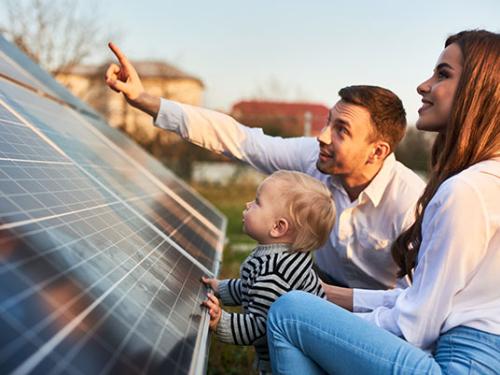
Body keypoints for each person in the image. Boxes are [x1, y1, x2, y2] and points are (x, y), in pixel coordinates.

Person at [266, 29, 500, 374]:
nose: (424, 85)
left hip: (460, 365)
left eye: (443, 74)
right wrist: (324, 295)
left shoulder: (464, 191)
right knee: (304, 306)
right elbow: (421, 298)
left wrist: (328, 327)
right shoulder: (487, 181)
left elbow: (416, 327)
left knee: (289, 313)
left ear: (479, 92)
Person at [105, 44, 426, 291]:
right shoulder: (314, 157)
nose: (323, 135)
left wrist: (322, 298)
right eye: (328, 121)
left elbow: (414, 304)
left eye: (341, 130)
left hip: (379, 316)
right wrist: (143, 99)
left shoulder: (410, 203)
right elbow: (239, 139)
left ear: (376, 152)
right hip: (320, 286)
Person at [200, 170, 335, 374]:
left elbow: (261, 327)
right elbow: (250, 287)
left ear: (278, 227)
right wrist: (221, 288)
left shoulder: (275, 273)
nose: (247, 204)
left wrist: (221, 322)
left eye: (257, 202)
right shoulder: (279, 257)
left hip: (290, 362)